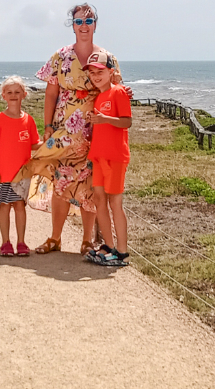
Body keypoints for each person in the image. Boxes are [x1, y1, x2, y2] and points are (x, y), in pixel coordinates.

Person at [28, 3, 126, 256]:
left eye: (88, 20)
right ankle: (55, 238)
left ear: (95, 24)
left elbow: (116, 91)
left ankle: (86, 241)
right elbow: (51, 94)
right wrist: (47, 127)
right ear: (72, 26)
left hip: (96, 135)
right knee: (61, 183)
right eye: (79, 21)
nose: (84, 26)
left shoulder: (108, 57)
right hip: (65, 130)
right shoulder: (60, 56)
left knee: (90, 187)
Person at [83, 52, 133, 267]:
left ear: (111, 72)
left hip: (115, 156)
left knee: (115, 202)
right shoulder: (99, 97)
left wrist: (105, 119)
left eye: (100, 72)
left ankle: (122, 252)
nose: (96, 76)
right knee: (99, 201)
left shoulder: (118, 92)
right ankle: (109, 246)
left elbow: (126, 122)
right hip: (99, 156)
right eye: (92, 73)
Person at [0, 76, 41, 257]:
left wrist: (52, 143)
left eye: (17, 92)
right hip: (3, 173)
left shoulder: (29, 120)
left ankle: (21, 242)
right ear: (3, 96)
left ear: (24, 94)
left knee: (19, 206)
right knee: (5, 206)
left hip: (22, 174)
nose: (13, 95)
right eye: (9, 92)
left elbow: (34, 144)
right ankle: (5, 243)